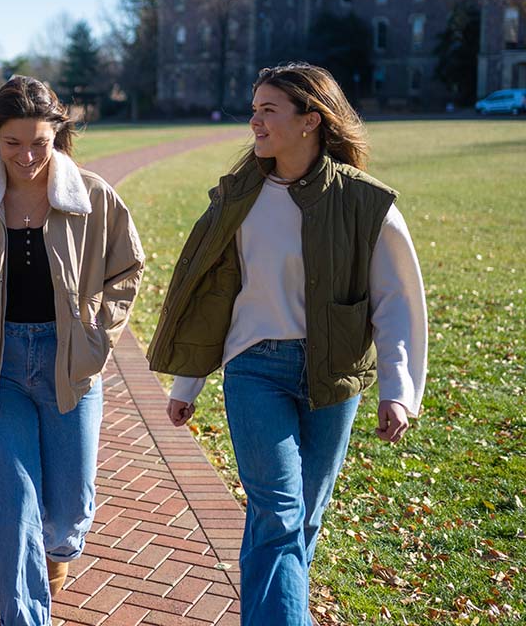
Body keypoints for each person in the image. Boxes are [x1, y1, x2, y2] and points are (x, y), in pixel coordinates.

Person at [148, 62, 427, 626]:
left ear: (311, 120)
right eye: (253, 108)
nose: (254, 120)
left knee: (303, 519)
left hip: (335, 373)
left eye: (268, 109)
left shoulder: (366, 203)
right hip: (254, 368)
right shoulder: (236, 199)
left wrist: (398, 390)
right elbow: (212, 298)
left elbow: (398, 299)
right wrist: (189, 382)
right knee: (277, 513)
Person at [0, 77, 145, 626]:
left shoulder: (90, 195)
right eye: (13, 144)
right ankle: (25, 615)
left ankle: (58, 552)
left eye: (40, 142)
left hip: (71, 363)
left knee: (69, 509)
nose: (28, 156)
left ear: (58, 135)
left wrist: (94, 338)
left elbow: (127, 268)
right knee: (13, 502)